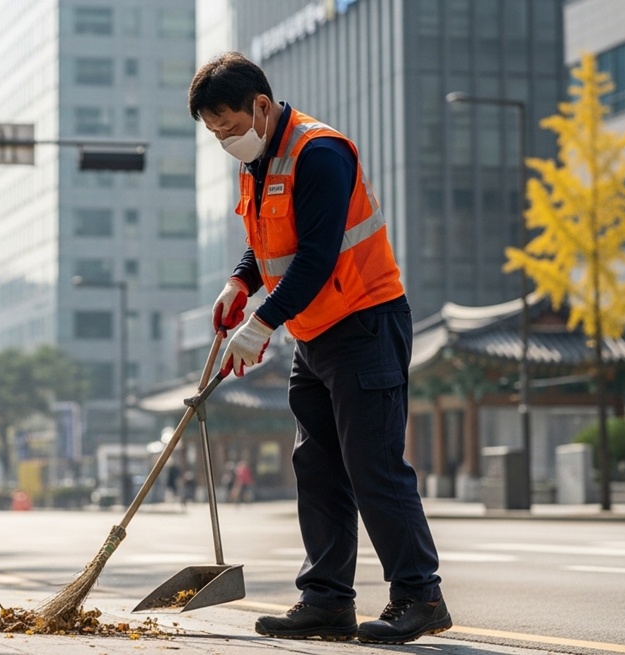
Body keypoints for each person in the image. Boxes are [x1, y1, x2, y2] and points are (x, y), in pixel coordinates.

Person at [188, 52, 450, 645]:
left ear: (261, 104)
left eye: (230, 126)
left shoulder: (321, 152)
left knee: (372, 465)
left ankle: (420, 596)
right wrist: (239, 281)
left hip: (365, 325)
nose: (226, 140)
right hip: (314, 333)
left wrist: (261, 324)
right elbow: (267, 242)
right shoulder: (259, 160)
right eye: (215, 133)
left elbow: (318, 254)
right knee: (318, 466)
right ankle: (327, 601)